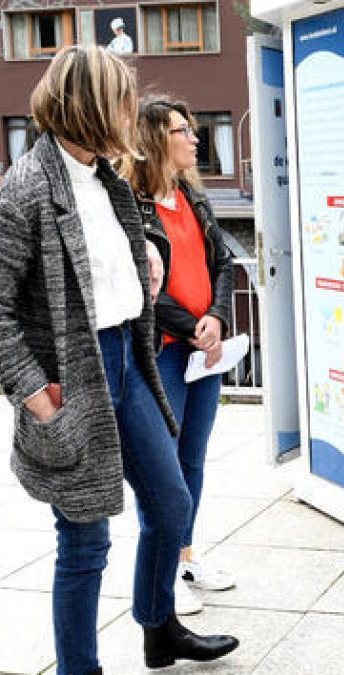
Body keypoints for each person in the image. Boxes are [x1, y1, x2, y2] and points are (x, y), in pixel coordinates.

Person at [0, 46, 238, 674]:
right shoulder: (30, 186)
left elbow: (107, 272)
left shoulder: (105, 178)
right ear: (90, 106)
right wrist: (37, 395)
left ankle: (158, 628)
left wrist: (141, 257)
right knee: (85, 542)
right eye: (121, 96)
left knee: (171, 508)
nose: (130, 108)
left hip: (129, 365)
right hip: (74, 378)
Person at [124, 95, 237, 615]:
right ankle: (163, 574)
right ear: (154, 140)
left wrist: (215, 316)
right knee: (163, 468)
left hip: (202, 350)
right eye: (182, 131)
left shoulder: (195, 196)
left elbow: (224, 260)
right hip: (164, 351)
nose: (195, 138)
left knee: (192, 458)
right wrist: (191, 325)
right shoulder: (131, 204)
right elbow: (142, 283)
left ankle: (185, 555)